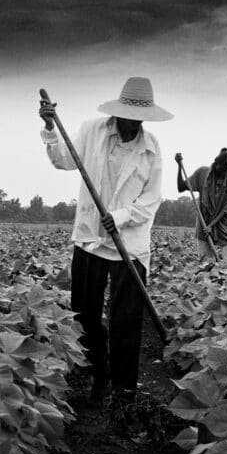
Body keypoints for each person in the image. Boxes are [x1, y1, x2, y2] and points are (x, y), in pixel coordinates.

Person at [38, 76, 169, 407]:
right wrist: (51, 127)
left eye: (137, 118)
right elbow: (62, 161)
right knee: (84, 314)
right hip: (90, 238)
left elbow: (151, 200)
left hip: (131, 243)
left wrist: (121, 217)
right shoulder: (91, 130)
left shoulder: (151, 149)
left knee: (127, 319)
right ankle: (100, 375)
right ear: (118, 111)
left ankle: (125, 392)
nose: (131, 123)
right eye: (127, 115)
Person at [175, 148, 227, 266]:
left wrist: (211, 225)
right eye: (221, 169)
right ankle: (209, 283)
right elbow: (181, 187)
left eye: (226, 171)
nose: (223, 173)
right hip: (204, 222)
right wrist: (179, 165)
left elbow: (226, 209)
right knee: (206, 264)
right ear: (216, 164)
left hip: (223, 223)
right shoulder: (202, 173)